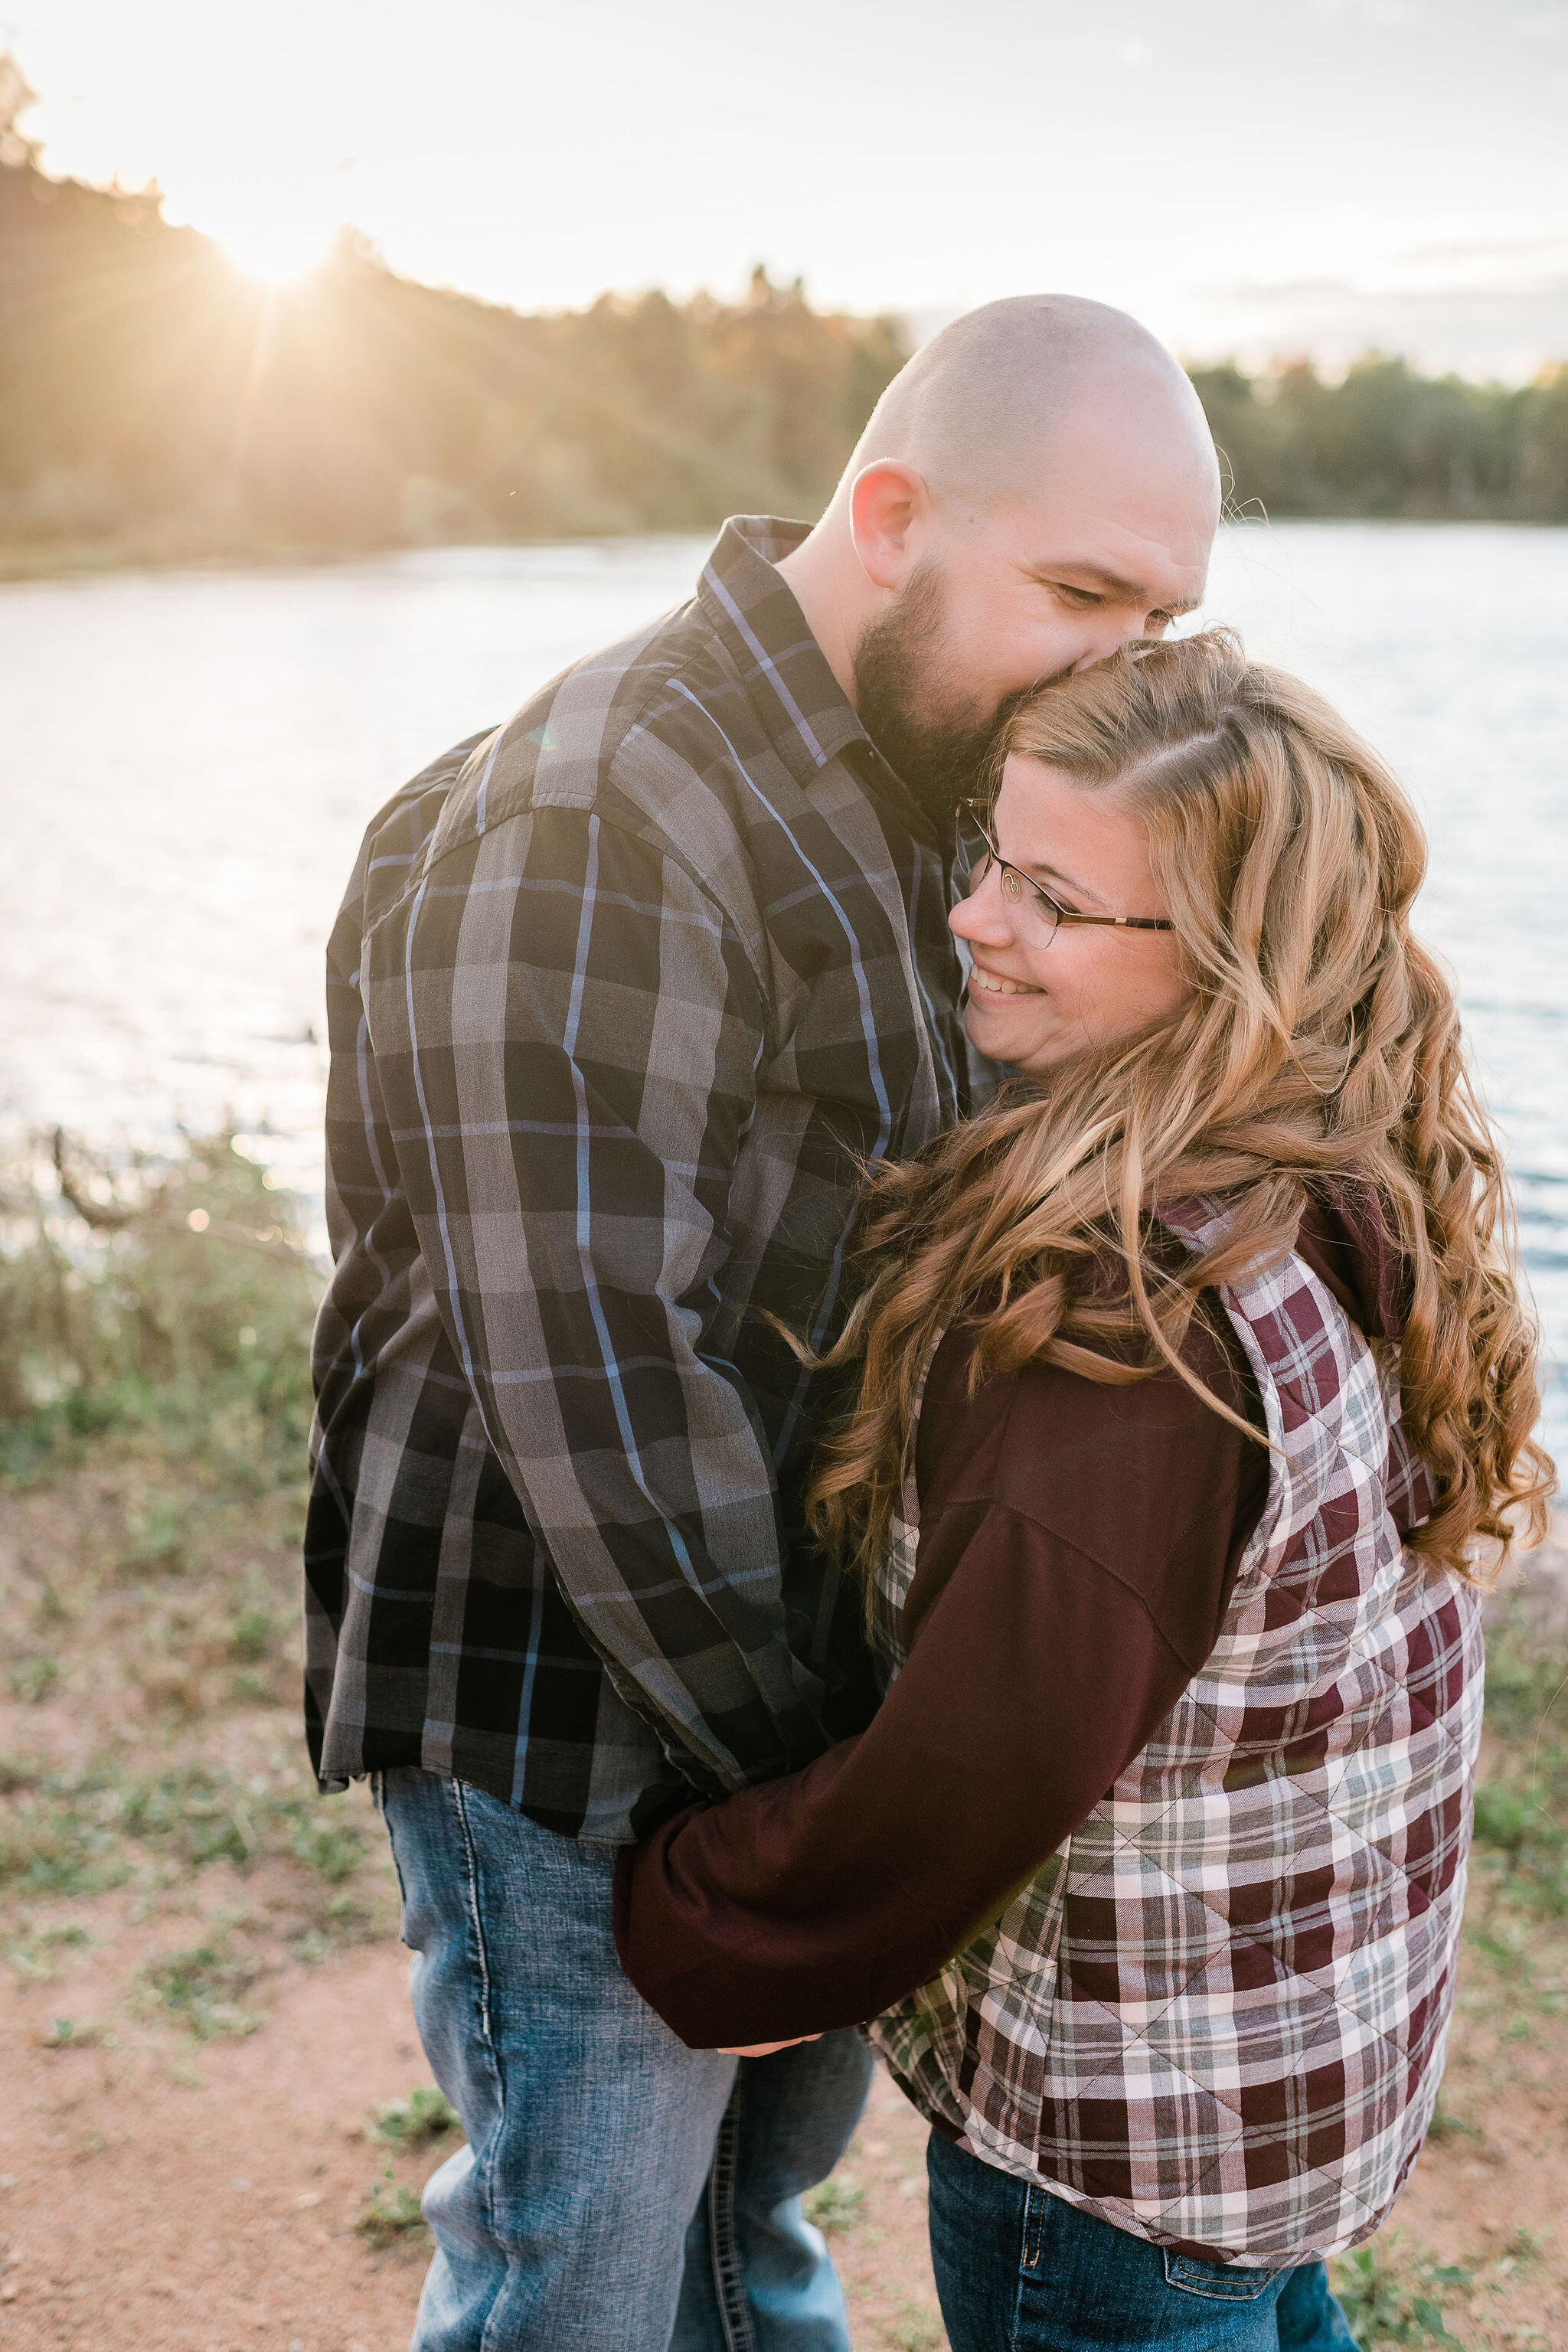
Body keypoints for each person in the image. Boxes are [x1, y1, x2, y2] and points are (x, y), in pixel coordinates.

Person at [303, 295, 1221, 2351]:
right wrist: (849, 1802)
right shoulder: (596, 816)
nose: (1118, 673)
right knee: (587, 2281)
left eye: (1154, 622)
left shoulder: (938, 774)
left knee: (753, 2242)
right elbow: (598, 1395)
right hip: (581, 1710)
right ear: (888, 512)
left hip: (805, 1703)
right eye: (1080, 592)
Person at [616, 629, 1557, 2350]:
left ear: (1219, 963)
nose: (974, 916)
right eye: (990, 854)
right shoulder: (1345, 1173)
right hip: (1300, 2092)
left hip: (1126, 2164)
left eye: (1051, 897)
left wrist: (720, 1915)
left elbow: (984, 1756)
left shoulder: (1128, 1341)